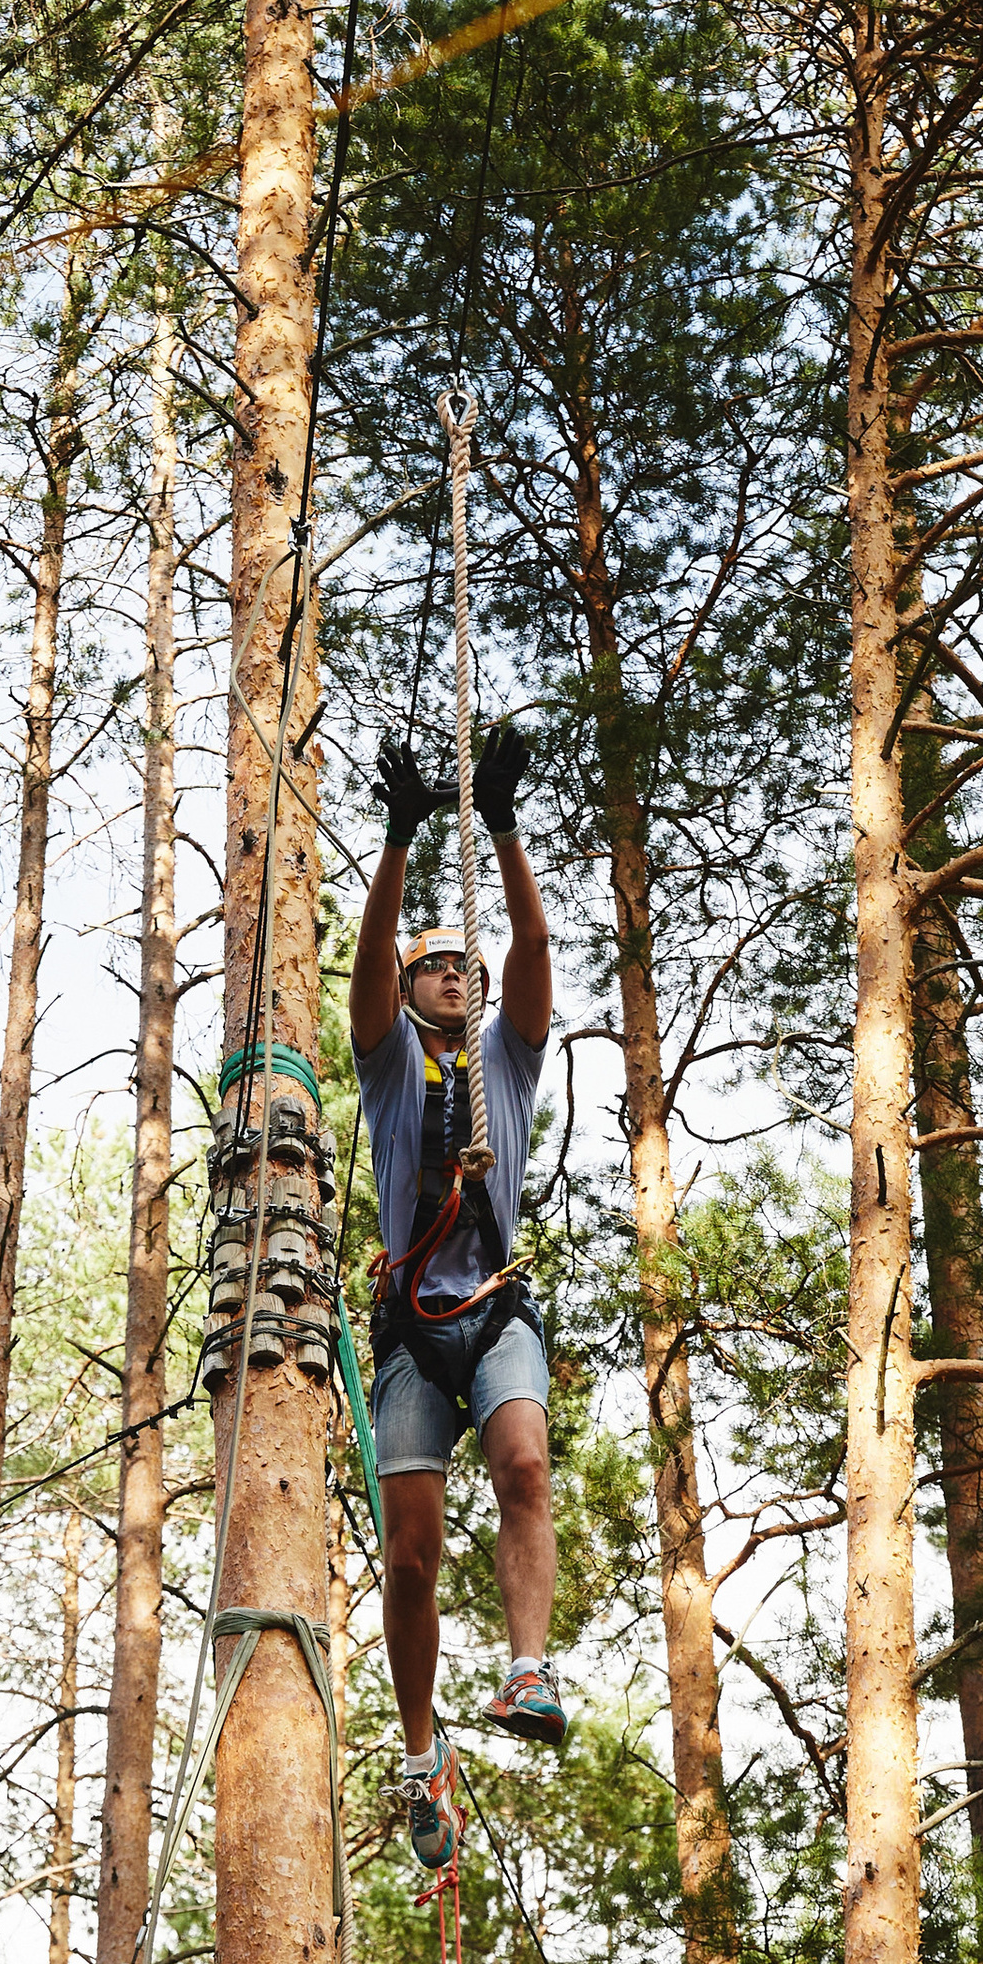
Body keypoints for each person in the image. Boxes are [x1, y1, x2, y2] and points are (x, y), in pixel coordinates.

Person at [353, 717, 564, 1877]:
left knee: (524, 1465)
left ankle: (528, 1667)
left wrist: (501, 827)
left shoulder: (506, 1061)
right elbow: (371, 955)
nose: (451, 974)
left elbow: (529, 941)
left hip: (492, 1307)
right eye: (434, 965)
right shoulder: (389, 1062)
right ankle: (422, 1749)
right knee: (413, 1556)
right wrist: (398, 841)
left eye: (460, 968)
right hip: (411, 1332)